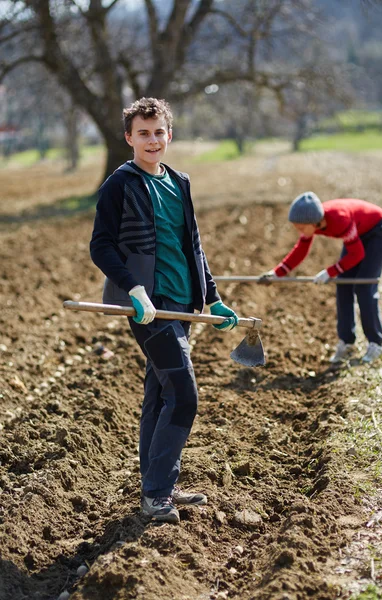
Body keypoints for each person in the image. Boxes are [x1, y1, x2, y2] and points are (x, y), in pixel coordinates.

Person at [90, 97, 238, 524]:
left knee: (159, 395)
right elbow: (100, 245)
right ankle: (156, 494)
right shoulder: (121, 183)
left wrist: (213, 297)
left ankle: (158, 486)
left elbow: (192, 245)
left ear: (168, 135)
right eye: (143, 133)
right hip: (149, 307)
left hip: (181, 302)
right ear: (129, 138)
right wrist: (134, 290)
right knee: (184, 396)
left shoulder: (180, 181)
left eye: (159, 132)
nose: (152, 140)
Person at [259, 191, 382, 364]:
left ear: (314, 222)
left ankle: (376, 343)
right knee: (343, 285)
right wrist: (276, 273)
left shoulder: (339, 219)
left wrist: (330, 271)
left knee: (364, 286)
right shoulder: (312, 222)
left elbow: (357, 254)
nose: (298, 231)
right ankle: (347, 342)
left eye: (300, 227)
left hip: (377, 231)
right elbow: (301, 250)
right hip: (356, 235)